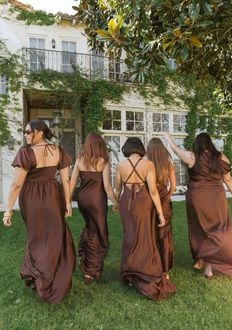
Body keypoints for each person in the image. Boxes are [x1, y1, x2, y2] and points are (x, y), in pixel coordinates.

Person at [2, 120, 75, 304]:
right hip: (53, 197)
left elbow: (17, 184)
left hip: (33, 199)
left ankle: (42, 278)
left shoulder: (26, 153)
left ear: (39, 133)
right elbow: (65, 181)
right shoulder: (58, 151)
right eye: (24, 132)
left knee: (37, 238)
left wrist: (8, 211)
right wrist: (67, 202)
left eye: (28, 132)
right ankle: (52, 277)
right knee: (52, 237)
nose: (25, 135)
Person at [165, 132, 232, 278]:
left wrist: (170, 140)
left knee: (200, 228)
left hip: (197, 197)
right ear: (210, 143)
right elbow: (228, 180)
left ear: (197, 144)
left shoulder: (192, 157)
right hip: (216, 197)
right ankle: (209, 265)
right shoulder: (220, 157)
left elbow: (176, 150)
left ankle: (202, 259)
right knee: (218, 228)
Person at [114, 137, 176, 300]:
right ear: (140, 148)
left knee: (129, 235)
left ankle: (129, 272)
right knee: (145, 236)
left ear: (127, 148)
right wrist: (160, 214)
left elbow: (117, 188)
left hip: (126, 203)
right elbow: (153, 191)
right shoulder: (148, 165)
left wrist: (115, 203)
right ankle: (145, 267)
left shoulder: (120, 165)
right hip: (144, 203)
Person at [70, 132, 119, 284]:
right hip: (97, 200)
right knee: (99, 232)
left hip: (82, 199)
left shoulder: (79, 160)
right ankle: (91, 270)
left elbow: (72, 184)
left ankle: (87, 265)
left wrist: (67, 202)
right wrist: (116, 202)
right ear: (100, 145)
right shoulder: (103, 161)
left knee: (90, 229)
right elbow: (107, 186)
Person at [146, 137, 176, 278]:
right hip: (164, 201)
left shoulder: (146, 164)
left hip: (149, 201)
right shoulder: (168, 164)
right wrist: (167, 196)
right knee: (164, 235)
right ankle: (165, 270)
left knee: (151, 234)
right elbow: (174, 187)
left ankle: (152, 265)